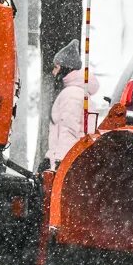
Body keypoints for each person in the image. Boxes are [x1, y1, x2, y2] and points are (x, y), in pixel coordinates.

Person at [45, 39, 100, 170]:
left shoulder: (72, 94)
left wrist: (61, 162)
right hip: (76, 159)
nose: (54, 72)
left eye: (56, 67)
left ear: (65, 68)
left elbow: (68, 130)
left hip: (69, 161)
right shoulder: (77, 92)